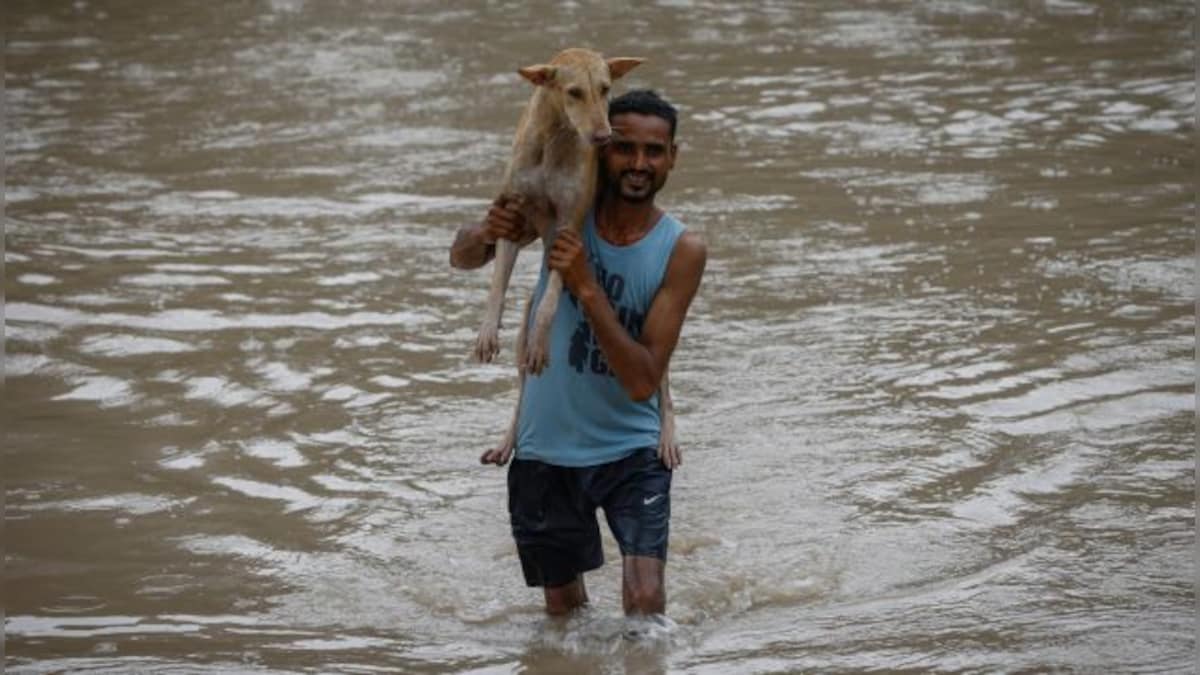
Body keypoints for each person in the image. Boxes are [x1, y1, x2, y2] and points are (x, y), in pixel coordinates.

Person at [450, 90, 706, 617]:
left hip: (633, 449)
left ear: (673, 158)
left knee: (645, 601)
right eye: (625, 149)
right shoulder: (560, 210)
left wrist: (587, 287)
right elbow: (462, 257)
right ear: (600, 150)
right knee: (564, 616)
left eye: (654, 152)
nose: (639, 165)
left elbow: (642, 380)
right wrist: (485, 230)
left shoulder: (681, 250)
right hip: (545, 447)